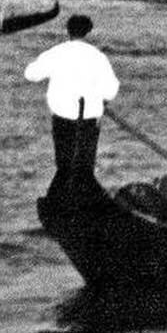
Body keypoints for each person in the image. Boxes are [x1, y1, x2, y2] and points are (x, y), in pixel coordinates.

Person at [24, 13, 119, 197]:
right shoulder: (98, 57)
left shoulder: (56, 52)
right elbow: (111, 90)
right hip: (89, 121)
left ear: (68, 31)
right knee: (85, 166)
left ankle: (63, 200)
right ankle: (83, 201)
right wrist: (100, 99)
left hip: (63, 119)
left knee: (64, 165)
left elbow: (30, 74)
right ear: (88, 32)